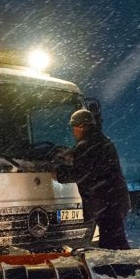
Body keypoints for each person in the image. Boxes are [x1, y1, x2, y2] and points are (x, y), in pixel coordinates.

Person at [53, 103, 131, 249]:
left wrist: (58, 173)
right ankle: (123, 261)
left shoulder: (86, 145)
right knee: (116, 239)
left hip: (105, 202)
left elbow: (82, 173)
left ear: (82, 127)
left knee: (111, 244)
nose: (73, 131)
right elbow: (96, 168)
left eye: (74, 127)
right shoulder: (102, 141)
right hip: (115, 200)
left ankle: (120, 263)